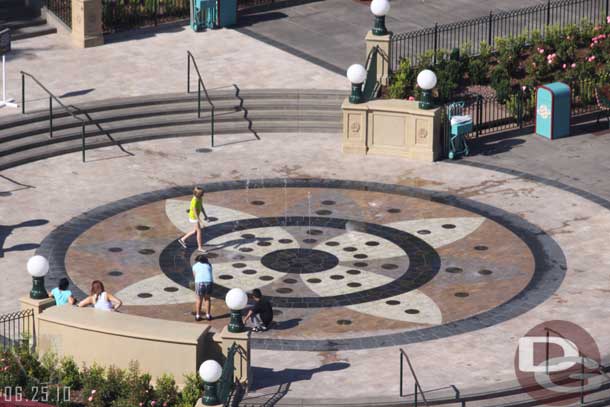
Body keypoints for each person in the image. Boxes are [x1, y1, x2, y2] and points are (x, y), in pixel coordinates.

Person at [178, 187, 209, 253]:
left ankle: (182, 239)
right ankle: (200, 247)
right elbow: (195, 213)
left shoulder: (200, 199)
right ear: (198, 194)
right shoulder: (194, 201)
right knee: (199, 232)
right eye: (202, 193)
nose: (203, 194)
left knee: (195, 231)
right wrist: (201, 222)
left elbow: (201, 207)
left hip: (196, 217)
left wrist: (205, 216)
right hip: (193, 217)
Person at [192, 254, 213, 321]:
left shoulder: (195, 266)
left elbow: (195, 276)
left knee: (199, 299)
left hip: (199, 282)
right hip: (209, 282)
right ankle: (208, 315)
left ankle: (198, 316)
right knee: (207, 299)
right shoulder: (209, 265)